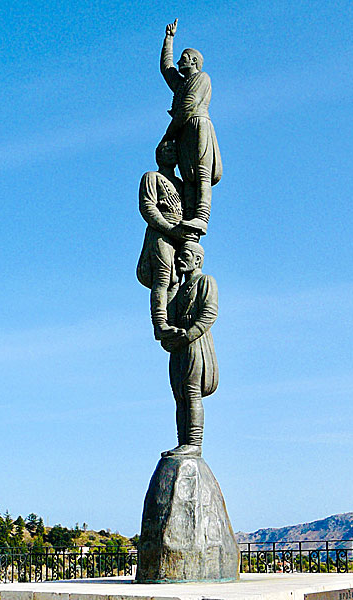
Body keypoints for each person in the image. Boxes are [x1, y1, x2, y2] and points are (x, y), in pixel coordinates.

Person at [159, 18, 222, 236]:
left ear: (194, 61)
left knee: (202, 173)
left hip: (197, 125)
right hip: (184, 129)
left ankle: (201, 216)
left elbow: (189, 105)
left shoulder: (201, 78)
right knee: (187, 175)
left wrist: (169, 133)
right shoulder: (181, 84)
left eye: (184, 59)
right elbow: (166, 68)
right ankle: (189, 215)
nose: (179, 61)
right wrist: (169, 39)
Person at [161, 241, 219, 457]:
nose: (179, 259)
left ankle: (194, 443)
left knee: (191, 391)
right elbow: (169, 314)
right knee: (180, 394)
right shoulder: (180, 289)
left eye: (184, 255)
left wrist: (190, 334)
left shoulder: (206, 281)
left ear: (197, 260)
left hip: (195, 342)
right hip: (179, 344)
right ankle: (182, 442)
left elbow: (209, 313)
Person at [136, 140, 187, 340]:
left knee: (176, 279)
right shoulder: (152, 177)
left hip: (178, 236)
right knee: (163, 275)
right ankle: (160, 323)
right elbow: (148, 207)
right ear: (159, 154)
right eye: (167, 150)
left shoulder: (180, 184)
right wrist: (168, 228)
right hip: (160, 233)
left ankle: (172, 321)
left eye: (174, 150)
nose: (171, 153)